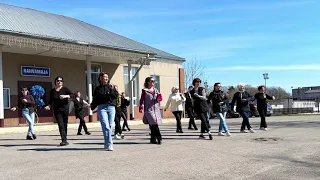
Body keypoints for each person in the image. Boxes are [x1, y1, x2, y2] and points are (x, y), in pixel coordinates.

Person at [91, 72, 118, 151]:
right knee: (105, 126)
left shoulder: (111, 87)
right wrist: (92, 107)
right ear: (100, 78)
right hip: (102, 108)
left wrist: (113, 89)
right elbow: (95, 99)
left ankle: (106, 143)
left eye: (107, 77)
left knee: (109, 126)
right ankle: (110, 144)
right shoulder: (97, 88)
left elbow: (115, 96)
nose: (106, 78)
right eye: (104, 77)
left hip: (111, 107)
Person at [44, 76, 74, 146]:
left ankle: (65, 139)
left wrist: (66, 96)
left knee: (64, 124)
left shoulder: (65, 89)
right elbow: (51, 100)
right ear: (55, 82)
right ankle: (63, 140)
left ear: (62, 82)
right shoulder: (52, 91)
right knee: (60, 125)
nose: (59, 82)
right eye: (58, 80)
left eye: (61, 81)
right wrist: (48, 106)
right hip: (57, 110)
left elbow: (73, 95)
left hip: (65, 109)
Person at [139, 77, 163, 145]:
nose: (153, 82)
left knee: (152, 125)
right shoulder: (145, 91)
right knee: (154, 124)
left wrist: (159, 97)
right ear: (148, 82)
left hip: (156, 109)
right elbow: (142, 100)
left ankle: (152, 139)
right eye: (152, 81)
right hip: (148, 110)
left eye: (154, 81)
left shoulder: (156, 90)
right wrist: (141, 107)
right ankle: (159, 137)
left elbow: (160, 98)